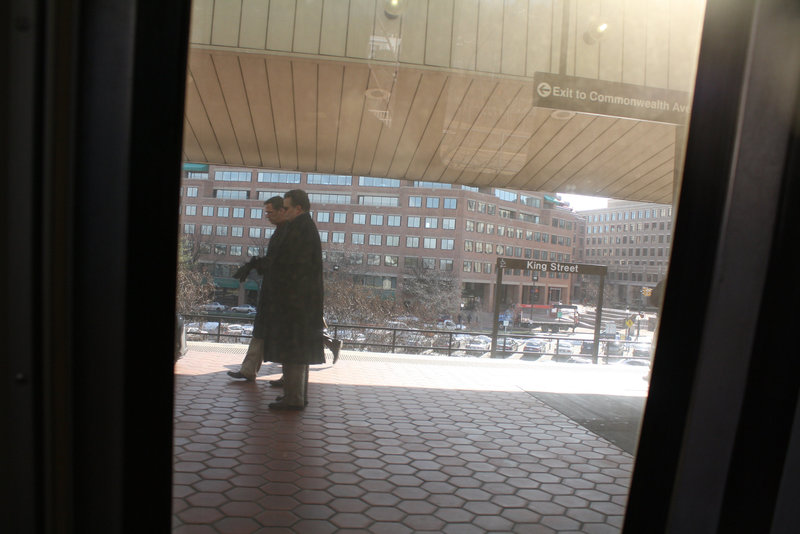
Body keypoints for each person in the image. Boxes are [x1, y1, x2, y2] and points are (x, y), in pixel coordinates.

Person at [263, 189, 326, 410]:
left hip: (296, 303)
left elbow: (291, 266)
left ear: (298, 208)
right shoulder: (303, 227)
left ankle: (294, 398)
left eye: (287, 208)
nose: (284, 211)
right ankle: (293, 395)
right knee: (295, 352)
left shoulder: (300, 229)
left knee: (294, 352)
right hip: (300, 303)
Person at [226, 196, 288, 381]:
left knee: (275, 333)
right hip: (274, 292)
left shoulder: (286, 232)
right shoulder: (282, 231)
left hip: (279, 294)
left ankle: (285, 376)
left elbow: (278, 262)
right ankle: (249, 369)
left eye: (270, 212)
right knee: (261, 332)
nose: (267, 216)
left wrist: (255, 265)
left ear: (281, 210)